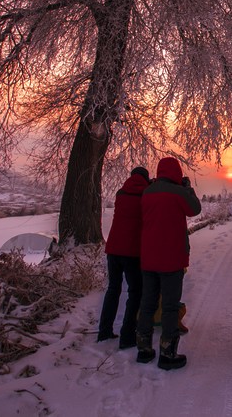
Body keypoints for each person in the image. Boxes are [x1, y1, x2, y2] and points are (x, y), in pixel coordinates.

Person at [136, 157, 201, 370]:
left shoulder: (147, 192)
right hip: (172, 259)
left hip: (149, 258)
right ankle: (167, 352)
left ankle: (144, 349)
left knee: (148, 303)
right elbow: (195, 209)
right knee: (170, 306)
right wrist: (188, 188)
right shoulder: (179, 193)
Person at [97, 166, 150, 347]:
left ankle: (104, 331)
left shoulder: (121, 193)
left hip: (113, 249)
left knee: (113, 289)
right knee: (135, 292)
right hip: (132, 251)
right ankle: (127, 335)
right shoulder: (146, 195)